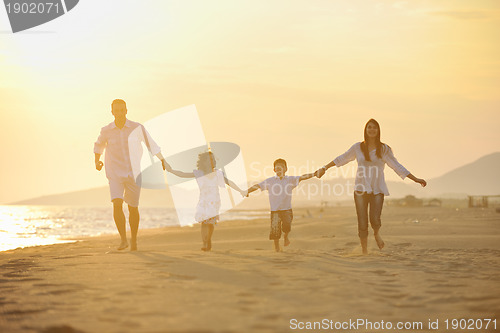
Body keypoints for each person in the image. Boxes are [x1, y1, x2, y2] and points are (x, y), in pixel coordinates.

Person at [315, 119, 427, 254]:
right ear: (365, 130)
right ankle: (364, 251)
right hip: (360, 189)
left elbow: (397, 166)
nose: (372, 130)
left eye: (374, 127)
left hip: (377, 188)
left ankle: (376, 234)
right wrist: (324, 168)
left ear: (378, 130)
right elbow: (342, 158)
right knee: (362, 221)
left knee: (375, 219)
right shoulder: (357, 147)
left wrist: (415, 179)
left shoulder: (384, 149)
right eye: (369, 127)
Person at [94, 99, 169, 251]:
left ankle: (133, 240)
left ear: (126, 111)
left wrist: (162, 159)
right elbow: (98, 145)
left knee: (133, 207)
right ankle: (123, 240)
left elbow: (151, 144)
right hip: (114, 173)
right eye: (117, 110)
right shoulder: (106, 130)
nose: (120, 113)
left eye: (122, 110)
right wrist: (97, 161)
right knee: (116, 203)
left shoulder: (137, 128)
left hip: (134, 173)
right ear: (112, 112)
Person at [165, 151, 246, 251]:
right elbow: (183, 174)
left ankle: (208, 240)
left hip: (214, 202)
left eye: (214, 159)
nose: (213, 161)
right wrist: (171, 170)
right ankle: (205, 243)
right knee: (204, 222)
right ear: (204, 162)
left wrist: (241, 190)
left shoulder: (218, 173)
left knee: (210, 223)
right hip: (203, 202)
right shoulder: (199, 173)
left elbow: (229, 182)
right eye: (210, 159)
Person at [245, 158, 316, 252]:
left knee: (287, 226)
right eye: (277, 168)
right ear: (274, 170)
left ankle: (286, 237)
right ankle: (277, 247)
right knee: (275, 231)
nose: (279, 169)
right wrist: (247, 191)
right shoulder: (270, 181)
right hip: (275, 210)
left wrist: (314, 174)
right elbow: (258, 186)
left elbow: (302, 177)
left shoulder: (290, 179)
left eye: (281, 167)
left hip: (287, 209)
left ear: (285, 169)